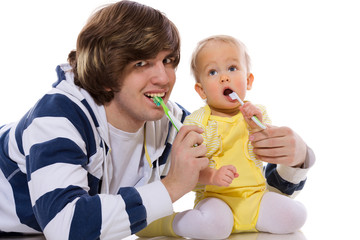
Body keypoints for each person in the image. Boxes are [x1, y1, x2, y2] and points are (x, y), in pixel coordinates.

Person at [0, 1, 314, 239]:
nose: (163, 77)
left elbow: (254, 197)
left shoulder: (170, 121)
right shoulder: (58, 119)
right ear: (106, 71)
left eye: (168, 60)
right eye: (141, 63)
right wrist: (173, 186)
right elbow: (66, 226)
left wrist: (296, 158)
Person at [137, 35, 314, 239]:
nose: (224, 77)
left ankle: (260, 218)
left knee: (296, 216)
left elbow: (266, 153)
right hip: (217, 199)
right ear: (201, 90)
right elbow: (189, 172)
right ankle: (164, 224)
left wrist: (258, 128)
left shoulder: (257, 114)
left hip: (256, 198)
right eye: (213, 72)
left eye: (232, 68)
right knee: (212, 227)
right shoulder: (196, 122)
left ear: (248, 80)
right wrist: (212, 177)